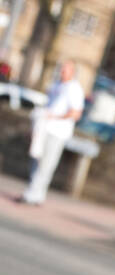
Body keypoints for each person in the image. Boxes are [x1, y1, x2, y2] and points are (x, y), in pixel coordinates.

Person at [18, 61, 85, 206]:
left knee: (46, 164)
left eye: (65, 70)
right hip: (43, 129)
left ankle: (35, 194)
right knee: (36, 161)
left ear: (72, 72)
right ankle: (34, 193)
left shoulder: (74, 89)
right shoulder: (55, 86)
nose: (62, 72)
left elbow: (75, 113)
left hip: (57, 132)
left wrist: (54, 117)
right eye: (61, 69)